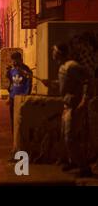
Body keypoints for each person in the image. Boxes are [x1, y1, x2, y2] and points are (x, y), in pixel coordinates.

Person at [44, 43, 93, 178]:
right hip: (67, 106)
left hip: (75, 106)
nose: (52, 53)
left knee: (70, 137)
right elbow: (67, 84)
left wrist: (84, 100)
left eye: (53, 50)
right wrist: (52, 84)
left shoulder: (72, 66)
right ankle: (73, 161)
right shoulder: (63, 67)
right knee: (64, 135)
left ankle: (84, 168)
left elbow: (88, 80)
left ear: (59, 52)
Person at [6, 52, 32, 133]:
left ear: (21, 60)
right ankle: (14, 134)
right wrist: (10, 95)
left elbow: (29, 84)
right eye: (13, 61)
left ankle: (22, 135)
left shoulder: (26, 70)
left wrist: (25, 95)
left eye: (16, 61)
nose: (14, 63)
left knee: (21, 118)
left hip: (21, 98)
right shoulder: (12, 70)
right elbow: (11, 82)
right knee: (13, 117)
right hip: (13, 97)